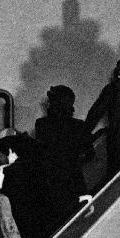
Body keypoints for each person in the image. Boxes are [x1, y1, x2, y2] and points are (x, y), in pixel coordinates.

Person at [34, 85, 93, 218]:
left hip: (49, 184)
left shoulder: (41, 124)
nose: (48, 104)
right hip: (75, 182)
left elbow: (40, 153)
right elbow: (90, 154)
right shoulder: (79, 126)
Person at [0, 128, 62, 238]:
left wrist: (9, 166)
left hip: (23, 227)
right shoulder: (38, 160)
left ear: (10, 150)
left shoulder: (10, 172)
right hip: (45, 222)